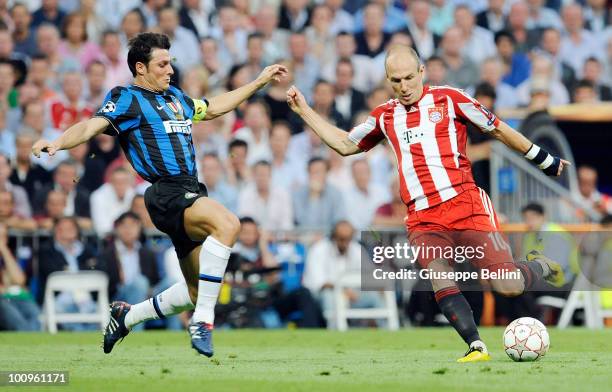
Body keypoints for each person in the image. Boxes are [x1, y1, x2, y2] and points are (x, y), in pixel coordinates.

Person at [286, 44, 568, 362]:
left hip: (465, 204)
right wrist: (305, 111)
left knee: (508, 285)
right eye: (396, 81)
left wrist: (543, 158)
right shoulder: (384, 116)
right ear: (387, 81)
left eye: (409, 77)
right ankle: (476, 346)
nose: (404, 86)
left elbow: (498, 129)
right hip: (422, 215)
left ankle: (540, 264)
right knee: (438, 273)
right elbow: (344, 144)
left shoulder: (451, 99)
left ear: (422, 72)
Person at [32, 32, 287, 357]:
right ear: (141, 67)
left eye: (170, 62)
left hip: (190, 191)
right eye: (162, 64)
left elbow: (211, 108)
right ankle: (203, 322)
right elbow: (90, 126)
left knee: (198, 290)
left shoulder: (176, 98)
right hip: (166, 192)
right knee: (229, 225)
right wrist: (56, 143)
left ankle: (127, 316)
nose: (170, 69)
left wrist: (258, 81)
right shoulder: (126, 98)